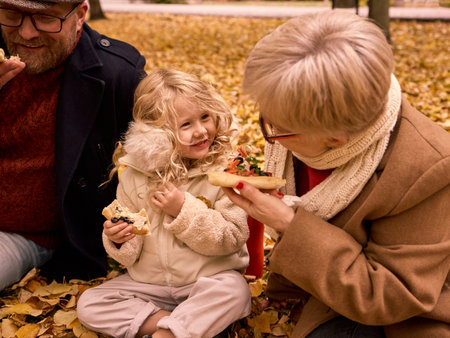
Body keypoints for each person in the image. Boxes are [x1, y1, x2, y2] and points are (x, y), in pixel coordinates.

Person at [223, 10, 450, 338]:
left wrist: (289, 222)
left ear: (335, 139)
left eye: (278, 128)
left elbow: (388, 296)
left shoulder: (428, 168)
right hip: (320, 289)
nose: (268, 131)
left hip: (391, 315)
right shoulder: (299, 129)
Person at [76, 69, 251, 338]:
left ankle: (169, 333)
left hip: (206, 282)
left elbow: (232, 236)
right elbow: (129, 252)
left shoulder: (225, 169)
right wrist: (120, 239)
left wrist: (183, 208)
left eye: (205, 117)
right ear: (156, 134)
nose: (201, 131)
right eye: (185, 125)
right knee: (90, 304)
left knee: (235, 291)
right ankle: (178, 325)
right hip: (149, 286)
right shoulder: (135, 175)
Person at [0, 0, 146, 290]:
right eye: (12, 14)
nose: (26, 33)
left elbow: (159, 165)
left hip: (23, 235)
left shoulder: (116, 74)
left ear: (80, 15)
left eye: (45, 19)